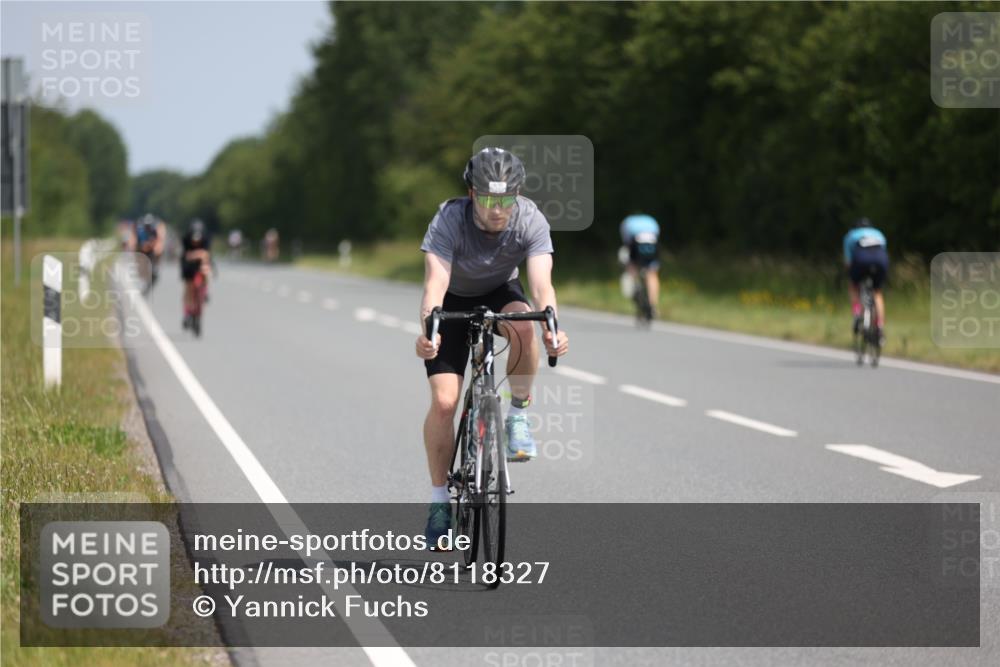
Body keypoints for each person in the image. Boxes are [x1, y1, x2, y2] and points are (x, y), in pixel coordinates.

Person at [414, 147, 569, 549]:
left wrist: (552, 325)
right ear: (472, 193)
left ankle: (517, 416)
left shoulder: (530, 218)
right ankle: (438, 502)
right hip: (452, 299)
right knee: (445, 403)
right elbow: (434, 285)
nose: (497, 209)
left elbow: (541, 286)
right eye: (488, 198)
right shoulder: (449, 219)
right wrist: (429, 333)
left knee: (524, 328)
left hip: (501, 291)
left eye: (506, 199)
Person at [843, 217, 888, 343]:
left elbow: (848, 262)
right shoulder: (879, 234)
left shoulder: (851, 235)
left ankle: (857, 313)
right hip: (880, 261)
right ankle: (879, 327)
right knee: (877, 292)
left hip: (861, 259)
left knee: (853, 286)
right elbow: (883, 252)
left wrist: (850, 274)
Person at [619, 213, 661, 318]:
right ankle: (653, 305)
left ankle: (634, 284)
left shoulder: (627, 222)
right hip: (652, 243)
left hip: (635, 243)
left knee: (632, 266)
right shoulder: (651, 221)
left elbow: (627, 243)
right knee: (652, 273)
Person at [180, 219, 213, 330]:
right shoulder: (186, 239)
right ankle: (187, 312)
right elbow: (186, 256)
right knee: (188, 286)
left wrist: (202, 260)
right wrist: (197, 254)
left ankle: (206, 290)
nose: (196, 242)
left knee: (207, 269)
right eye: (194, 240)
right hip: (188, 263)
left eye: (198, 240)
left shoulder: (206, 238)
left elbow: (206, 255)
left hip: (201, 262)